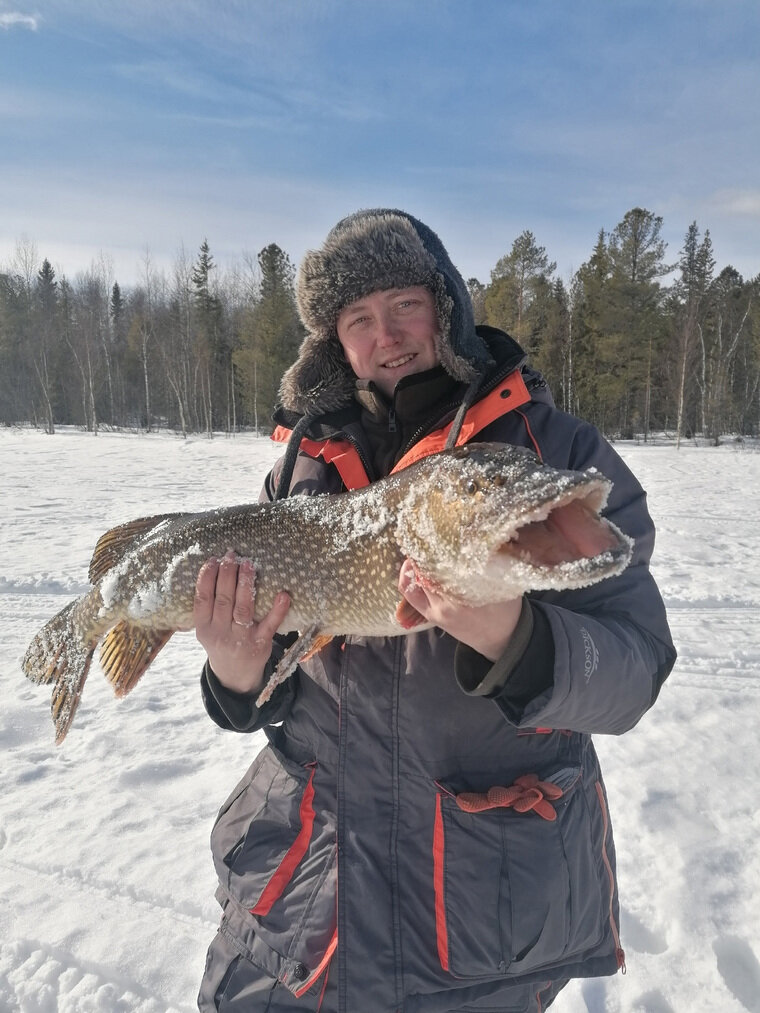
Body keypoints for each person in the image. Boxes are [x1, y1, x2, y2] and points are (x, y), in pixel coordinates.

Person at [194, 209, 676, 1013]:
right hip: (301, 901)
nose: (387, 336)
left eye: (403, 305)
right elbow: (280, 663)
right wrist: (239, 677)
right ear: (334, 344)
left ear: (444, 305)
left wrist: (516, 641)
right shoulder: (303, 472)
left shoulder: (554, 452)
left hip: (475, 911)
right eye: (358, 319)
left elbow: (634, 665)